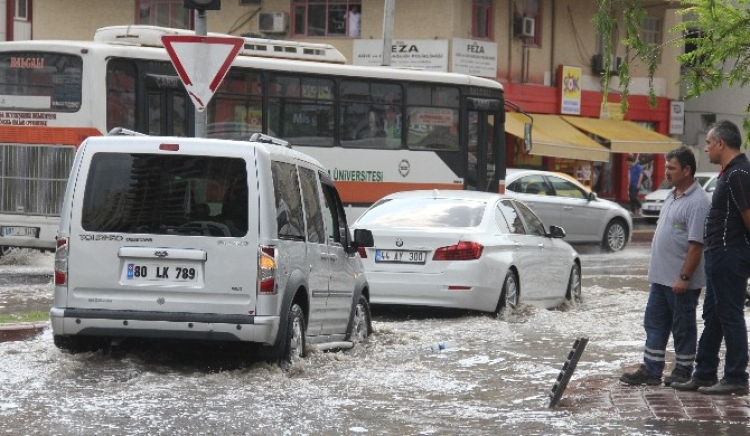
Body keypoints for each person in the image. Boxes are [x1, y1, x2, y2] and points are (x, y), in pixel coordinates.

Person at [619, 147, 710, 386]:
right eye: (667, 167)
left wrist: (684, 277)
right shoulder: (672, 194)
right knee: (654, 324)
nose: (666, 172)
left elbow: (696, 246)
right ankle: (651, 370)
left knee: (683, 327)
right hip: (660, 278)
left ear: (687, 170)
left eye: (671, 168)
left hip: (680, 281)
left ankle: (683, 370)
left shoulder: (699, 202)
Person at [672, 120, 750, 396]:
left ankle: (737, 376)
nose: (704, 148)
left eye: (708, 143)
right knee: (714, 316)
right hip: (719, 255)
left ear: (721, 144)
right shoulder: (729, 173)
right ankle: (704, 373)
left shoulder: (739, 173)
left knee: (730, 316)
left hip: (730, 254)